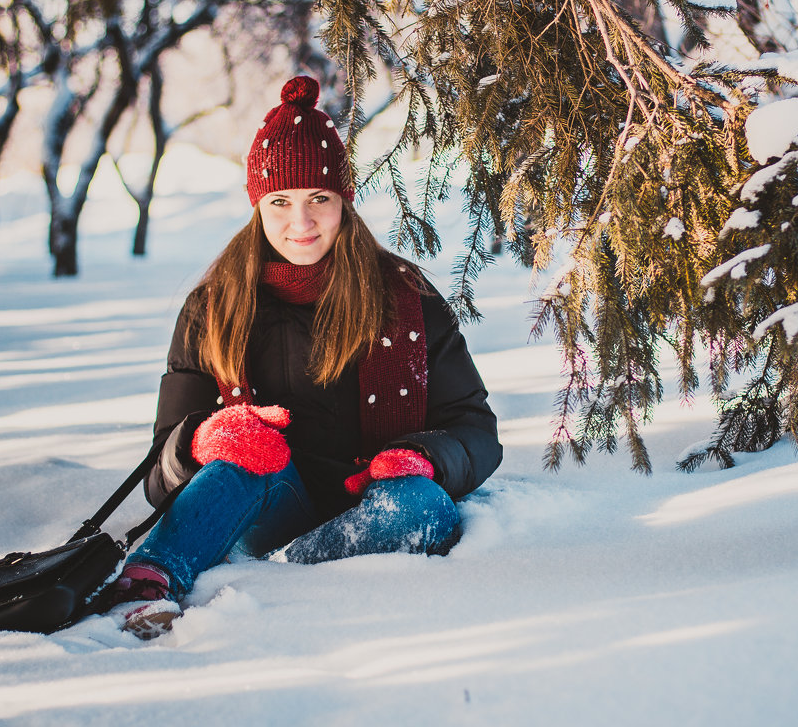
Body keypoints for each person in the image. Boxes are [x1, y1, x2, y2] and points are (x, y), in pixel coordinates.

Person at [97, 76, 502, 638]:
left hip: (378, 505)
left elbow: (475, 428)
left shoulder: (409, 300)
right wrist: (203, 440)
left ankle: (278, 580)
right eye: (281, 201)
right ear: (258, 206)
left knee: (423, 506)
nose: (301, 222)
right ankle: (150, 583)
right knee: (239, 465)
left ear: (344, 202)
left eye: (319, 199)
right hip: (265, 504)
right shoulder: (213, 307)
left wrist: (423, 457)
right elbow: (160, 472)